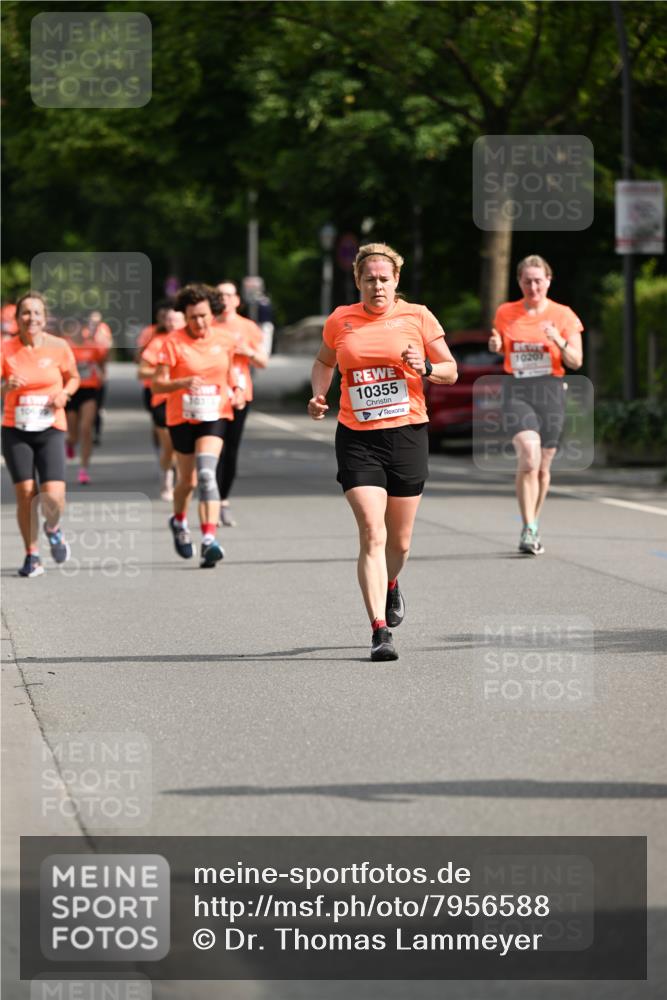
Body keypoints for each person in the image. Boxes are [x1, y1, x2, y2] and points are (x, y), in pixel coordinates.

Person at [308, 242, 457, 661]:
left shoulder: (417, 316)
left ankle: (392, 584)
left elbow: (451, 369)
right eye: (369, 279)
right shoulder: (340, 320)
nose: (377, 287)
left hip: (408, 433)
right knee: (373, 531)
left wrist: (425, 367)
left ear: (396, 282)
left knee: (401, 541)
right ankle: (379, 630)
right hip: (358, 437)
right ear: (358, 281)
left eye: (384, 279)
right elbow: (324, 362)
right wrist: (319, 394)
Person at [489, 254, 584, 555]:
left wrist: (558, 339)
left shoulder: (564, 315)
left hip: (551, 390)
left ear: (548, 281)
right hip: (516, 389)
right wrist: (495, 345)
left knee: (543, 466)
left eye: (538, 281)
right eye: (527, 281)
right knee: (528, 455)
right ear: (519, 282)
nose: (533, 286)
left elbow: (576, 361)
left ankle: (532, 524)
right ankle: (528, 527)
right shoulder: (506, 312)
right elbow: (500, 342)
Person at [152, 284, 245, 568]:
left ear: (212, 313)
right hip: (181, 416)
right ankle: (179, 520)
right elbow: (157, 383)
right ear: (185, 316)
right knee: (187, 480)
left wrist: (237, 389)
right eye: (193, 317)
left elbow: (231, 373)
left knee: (207, 474)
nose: (199, 322)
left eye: (204, 316)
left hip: (215, 413)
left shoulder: (225, 340)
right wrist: (180, 382)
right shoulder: (172, 342)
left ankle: (209, 540)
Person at [1, 291, 80, 577]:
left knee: (53, 497)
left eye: (37, 313)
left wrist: (64, 394)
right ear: (17, 318)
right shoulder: (5, 349)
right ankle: (31, 555)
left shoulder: (59, 346)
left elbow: (74, 377)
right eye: (25, 313)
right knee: (25, 493)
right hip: (16, 428)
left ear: (45, 318)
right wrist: (5, 387)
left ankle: (53, 527)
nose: (31, 318)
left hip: (50, 428)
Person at [214, 280, 269, 526]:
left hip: (239, 395)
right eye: (220, 295)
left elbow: (262, 361)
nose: (224, 299)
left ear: (237, 300)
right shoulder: (207, 324)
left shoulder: (248, 327)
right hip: (212, 395)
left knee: (230, 449)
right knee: (212, 449)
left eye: (228, 295)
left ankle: (222, 500)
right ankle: (211, 499)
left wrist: (245, 351)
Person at [137, 305, 184, 501]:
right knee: (169, 445)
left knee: (184, 446)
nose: (172, 323)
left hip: (185, 401)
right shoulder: (157, 342)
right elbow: (141, 371)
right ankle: (167, 479)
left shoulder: (192, 342)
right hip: (162, 399)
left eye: (176, 320)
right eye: (169, 320)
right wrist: (164, 372)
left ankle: (183, 479)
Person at [63, 317, 109, 484]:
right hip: (71, 391)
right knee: (73, 434)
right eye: (78, 328)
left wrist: (102, 374)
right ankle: (70, 442)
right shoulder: (65, 346)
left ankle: (84, 469)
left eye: (85, 328)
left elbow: (102, 361)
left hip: (90, 389)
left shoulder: (94, 345)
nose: (82, 332)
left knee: (86, 428)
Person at [83, 310, 113, 446]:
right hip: (83, 379)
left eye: (97, 321)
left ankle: (96, 433)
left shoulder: (104, 331)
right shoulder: (83, 333)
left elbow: (107, 351)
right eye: (92, 321)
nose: (94, 324)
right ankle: (83, 432)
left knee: (98, 407)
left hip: (99, 376)